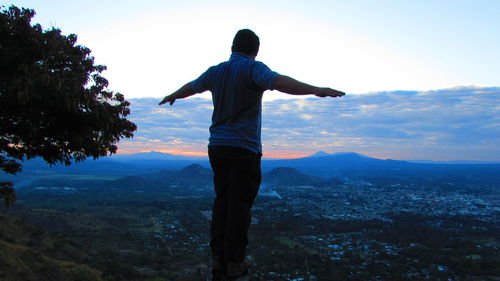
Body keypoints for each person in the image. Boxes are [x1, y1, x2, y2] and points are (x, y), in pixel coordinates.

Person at [159, 29, 345, 281]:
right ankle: (235, 262)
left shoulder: (216, 71)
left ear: (232, 46)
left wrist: (173, 95)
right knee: (240, 205)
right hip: (244, 149)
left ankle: (217, 257)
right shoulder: (252, 68)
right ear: (255, 50)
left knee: (222, 202)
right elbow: (279, 82)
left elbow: (191, 87)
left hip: (217, 147)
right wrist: (316, 89)